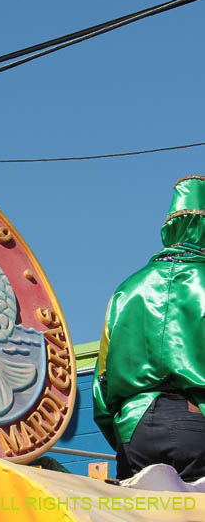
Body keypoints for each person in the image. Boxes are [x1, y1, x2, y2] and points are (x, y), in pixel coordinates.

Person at [93, 175, 205, 481]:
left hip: (136, 426)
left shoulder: (126, 290)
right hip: (197, 421)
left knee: (140, 506)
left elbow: (103, 378)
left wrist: (121, 433)